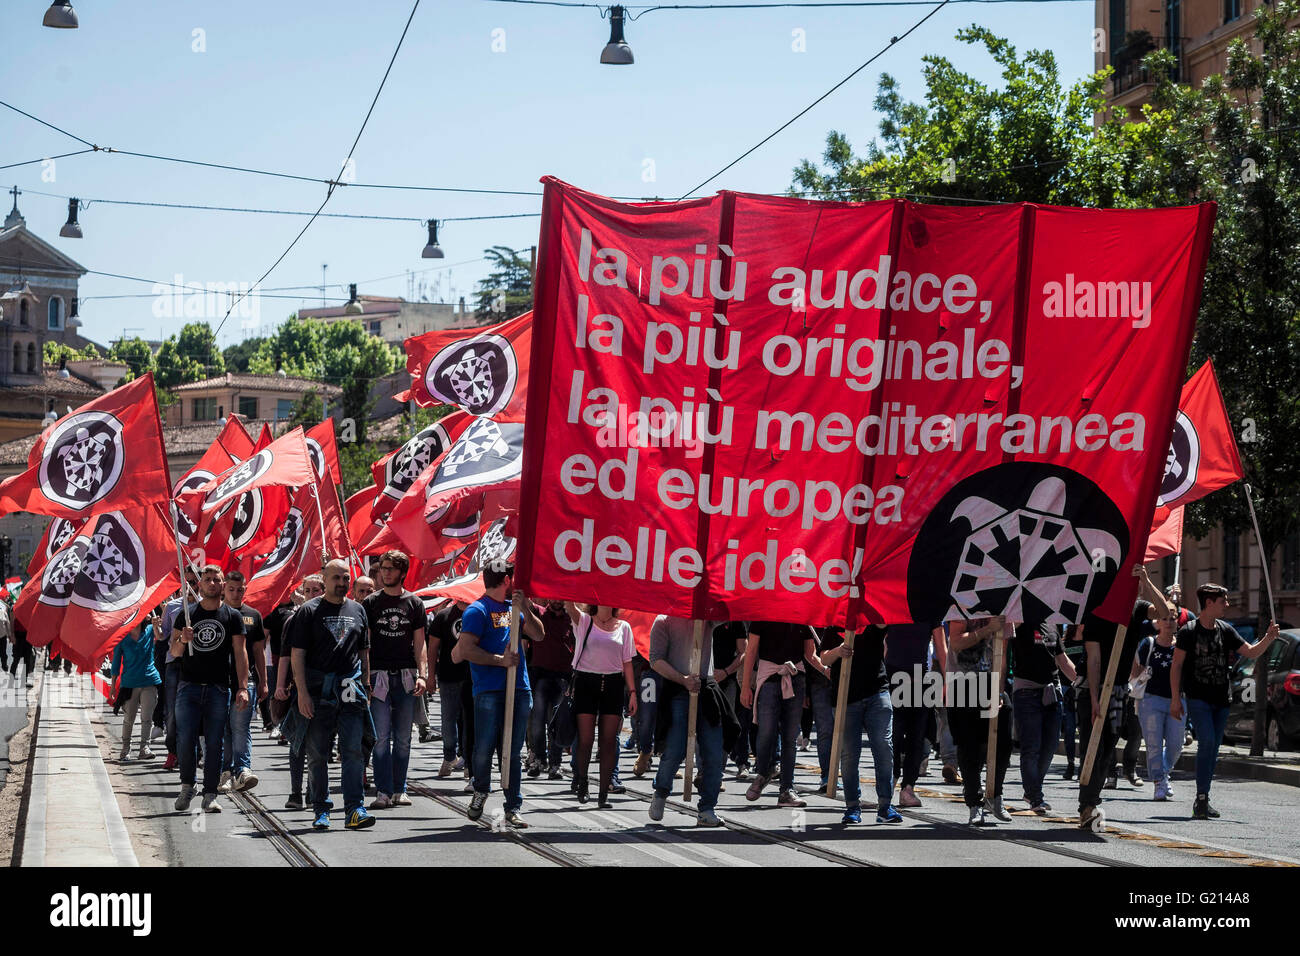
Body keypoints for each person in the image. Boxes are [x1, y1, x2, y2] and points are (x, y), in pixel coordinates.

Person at [1170, 583, 1278, 820]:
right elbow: (1176, 666)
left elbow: (1250, 652)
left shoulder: (1226, 630)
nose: (1227, 605)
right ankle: (1201, 797)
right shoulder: (1188, 632)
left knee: (1213, 749)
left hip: (1222, 700)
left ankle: (1203, 799)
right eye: (1223, 601)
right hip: (1198, 699)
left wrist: (1269, 638)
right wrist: (1175, 699)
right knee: (1206, 742)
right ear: (1209, 603)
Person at [454, 561, 543, 827]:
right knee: (484, 747)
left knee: (513, 750)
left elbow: (538, 635)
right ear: (507, 579)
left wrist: (525, 606)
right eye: (514, 578)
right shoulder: (477, 610)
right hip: (489, 689)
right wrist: (499, 660)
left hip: (519, 688)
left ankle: (513, 806)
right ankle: (481, 789)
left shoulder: (513, 609)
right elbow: (466, 650)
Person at [290, 560, 377, 831]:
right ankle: (321, 809)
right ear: (325, 580)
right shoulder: (307, 611)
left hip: (351, 692)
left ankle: (354, 809)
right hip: (318, 694)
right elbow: (297, 655)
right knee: (318, 754)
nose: (341, 582)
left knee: (353, 751)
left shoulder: (358, 610)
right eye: (336, 577)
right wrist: (302, 693)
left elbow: (364, 653)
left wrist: (367, 686)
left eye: (345, 577)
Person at [170, 564, 247, 814]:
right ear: (199, 584)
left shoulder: (232, 616)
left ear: (223, 584)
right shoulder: (187, 614)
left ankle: (210, 793)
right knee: (186, 739)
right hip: (188, 686)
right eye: (207, 579)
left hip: (217, 688)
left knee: (215, 742)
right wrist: (184, 639)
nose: (212, 583)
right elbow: (174, 651)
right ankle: (187, 785)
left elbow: (240, 653)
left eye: (217, 580)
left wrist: (243, 687)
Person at [361, 550, 427, 810]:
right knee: (380, 737)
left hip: (407, 677)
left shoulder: (414, 603)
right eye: (382, 568)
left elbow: (420, 643)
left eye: (390, 568)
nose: (384, 572)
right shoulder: (370, 603)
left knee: (403, 738)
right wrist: (364, 678)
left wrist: (423, 675)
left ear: (402, 572)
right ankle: (383, 792)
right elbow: (363, 645)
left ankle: (400, 789)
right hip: (377, 677)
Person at [647, 615, 726, 826]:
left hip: (706, 689)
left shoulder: (707, 617)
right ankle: (661, 792)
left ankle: (707, 807)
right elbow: (655, 659)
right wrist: (682, 680)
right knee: (675, 748)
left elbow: (728, 615)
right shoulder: (663, 621)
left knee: (713, 751)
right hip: (677, 691)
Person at [740, 620, 828, 808]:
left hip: (796, 679)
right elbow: (752, 650)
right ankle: (763, 772)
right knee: (766, 732)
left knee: (790, 737)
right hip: (769, 679)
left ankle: (787, 789)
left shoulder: (802, 613)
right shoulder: (763, 613)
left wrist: (827, 671)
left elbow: (810, 654)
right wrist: (746, 686)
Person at [823, 624, 902, 824]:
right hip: (845, 697)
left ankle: (885, 806)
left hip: (877, 692)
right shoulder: (837, 620)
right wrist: (839, 651)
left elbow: (885, 622)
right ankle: (852, 806)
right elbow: (824, 657)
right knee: (849, 754)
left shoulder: (875, 617)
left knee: (884, 747)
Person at [564, 602, 637, 807]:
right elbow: (568, 604)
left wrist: (632, 692)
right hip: (587, 682)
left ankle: (603, 794)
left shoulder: (624, 627)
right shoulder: (585, 620)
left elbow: (627, 662)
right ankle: (583, 782)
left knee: (608, 742)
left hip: (613, 685)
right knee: (585, 740)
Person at [948, 616, 1012, 825]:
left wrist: (999, 691)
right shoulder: (962, 605)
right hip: (963, 683)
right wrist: (987, 630)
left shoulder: (1005, 609)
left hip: (991, 683)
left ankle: (995, 795)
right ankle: (974, 803)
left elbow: (1002, 655)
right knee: (969, 749)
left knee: (1002, 744)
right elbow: (956, 642)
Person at [1010, 621, 1077, 814]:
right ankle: (1035, 795)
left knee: (1051, 745)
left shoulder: (1052, 625)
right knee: (1031, 747)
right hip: (1026, 691)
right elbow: (1004, 645)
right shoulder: (1019, 621)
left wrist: (1082, 682)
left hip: (1051, 691)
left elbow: (1062, 660)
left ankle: (1032, 790)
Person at [275, 576, 324, 809]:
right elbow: (285, 656)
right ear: (301, 594)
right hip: (298, 689)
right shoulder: (293, 620)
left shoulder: (329, 617)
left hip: (325, 689)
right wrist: (279, 685)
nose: (312, 594)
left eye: (316, 590)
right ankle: (295, 792)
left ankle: (312, 791)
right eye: (308, 590)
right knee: (298, 742)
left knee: (319, 744)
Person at [886, 621, 946, 807]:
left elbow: (941, 649)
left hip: (921, 683)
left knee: (917, 738)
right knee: (892, 737)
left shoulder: (930, 611)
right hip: (893, 681)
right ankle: (890, 782)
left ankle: (908, 788)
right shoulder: (893, 605)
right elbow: (883, 643)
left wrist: (947, 682)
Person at [1130, 603, 1184, 801]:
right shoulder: (1148, 644)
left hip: (1177, 699)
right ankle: (1159, 783)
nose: (1169, 622)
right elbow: (1135, 671)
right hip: (1150, 700)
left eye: (1173, 618)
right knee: (1153, 744)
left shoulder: (1181, 645)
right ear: (1158, 622)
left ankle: (1164, 773)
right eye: (1165, 618)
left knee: (1176, 744)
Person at [219, 571, 267, 794]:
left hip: (245, 682)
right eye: (231, 589)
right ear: (224, 589)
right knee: (223, 729)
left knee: (240, 727)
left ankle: (242, 769)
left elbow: (258, 651)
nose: (236, 594)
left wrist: (263, 681)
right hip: (219, 680)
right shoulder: (216, 613)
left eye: (240, 590)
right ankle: (225, 772)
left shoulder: (253, 615)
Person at [526, 600, 574, 779]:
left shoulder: (572, 617)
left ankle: (555, 764)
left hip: (563, 678)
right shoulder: (538, 612)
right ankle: (539, 758)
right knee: (537, 722)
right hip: (540, 676)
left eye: (561, 597)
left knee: (557, 722)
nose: (557, 600)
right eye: (553, 596)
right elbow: (525, 602)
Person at [159, 569, 198, 771]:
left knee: (197, 710)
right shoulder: (173, 607)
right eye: (187, 582)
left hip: (198, 663)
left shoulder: (206, 607)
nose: (191, 586)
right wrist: (157, 628)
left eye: (194, 582)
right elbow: (163, 636)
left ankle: (195, 752)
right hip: (174, 663)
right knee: (173, 711)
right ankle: (172, 751)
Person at [111, 613, 163, 762]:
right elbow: (115, 663)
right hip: (129, 683)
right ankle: (125, 749)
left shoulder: (149, 631)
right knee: (129, 719)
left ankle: (144, 748)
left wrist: (155, 625)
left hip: (149, 681)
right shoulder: (122, 637)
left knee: (147, 718)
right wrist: (113, 686)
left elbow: (160, 637)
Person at [428, 599, 471, 778]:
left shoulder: (479, 612)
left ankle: (469, 762)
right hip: (448, 677)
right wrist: (431, 676)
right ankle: (449, 756)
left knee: (470, 721)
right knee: (448, 720)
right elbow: (432, 647)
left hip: (472, 677)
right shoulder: (443, 616)